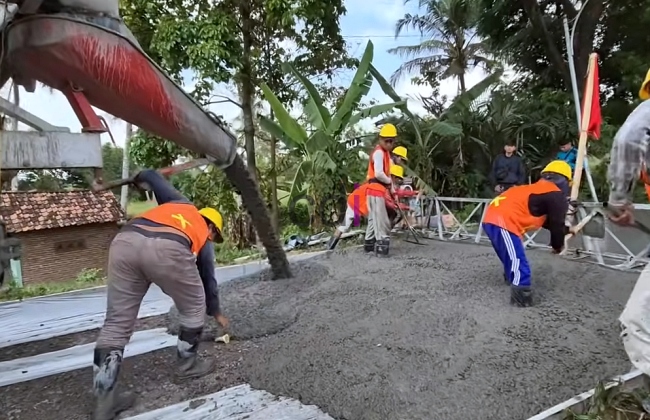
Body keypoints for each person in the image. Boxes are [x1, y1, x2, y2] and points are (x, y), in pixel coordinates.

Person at [92, 169, 229, 420]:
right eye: (214, 234)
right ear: (209, 225)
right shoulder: (200, 232)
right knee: (194, 305)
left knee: (116, 323)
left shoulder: (179, 204)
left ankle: (104, 401)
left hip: (126, 241)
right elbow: (207, 278)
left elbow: (155, 179)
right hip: (168, 246)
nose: (211, 239)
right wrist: (214, 310)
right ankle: (187, 366)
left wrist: (140, 175)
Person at [482, 160, 576, 307]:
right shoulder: (555, 195)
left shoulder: (535, 190)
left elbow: (549, 222)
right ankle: (521, 296)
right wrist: (558, 246)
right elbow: (556, 224)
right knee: (518, 260)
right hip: (504, 220)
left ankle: (511, 278)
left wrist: (566, 230)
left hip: (492, 217)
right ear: (564, 181)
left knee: (511, 255)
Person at [327, 165, 406, 250]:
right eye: (398, 179)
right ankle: (330, 247)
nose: (398, 182)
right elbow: (386, 201)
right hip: (356, 200)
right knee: (348, 225)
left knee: (349, 224)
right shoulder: (382, 185)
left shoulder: (384, 184)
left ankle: (370, 243)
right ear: (393, 177)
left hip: (359, 199)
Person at [364, 124, 396, 255]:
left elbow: (388, 174)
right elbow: (378, 173)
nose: (388, 143)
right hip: (375, 189)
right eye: (386, 140)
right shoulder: (378, 153)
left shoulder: (386, 154)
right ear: (380, 139)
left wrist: (392, 188)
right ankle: (382, 244)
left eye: (391, 141)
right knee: (380, 219)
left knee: (373, 219)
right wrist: (389, 182)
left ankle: (369, 244)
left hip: (379, 189)